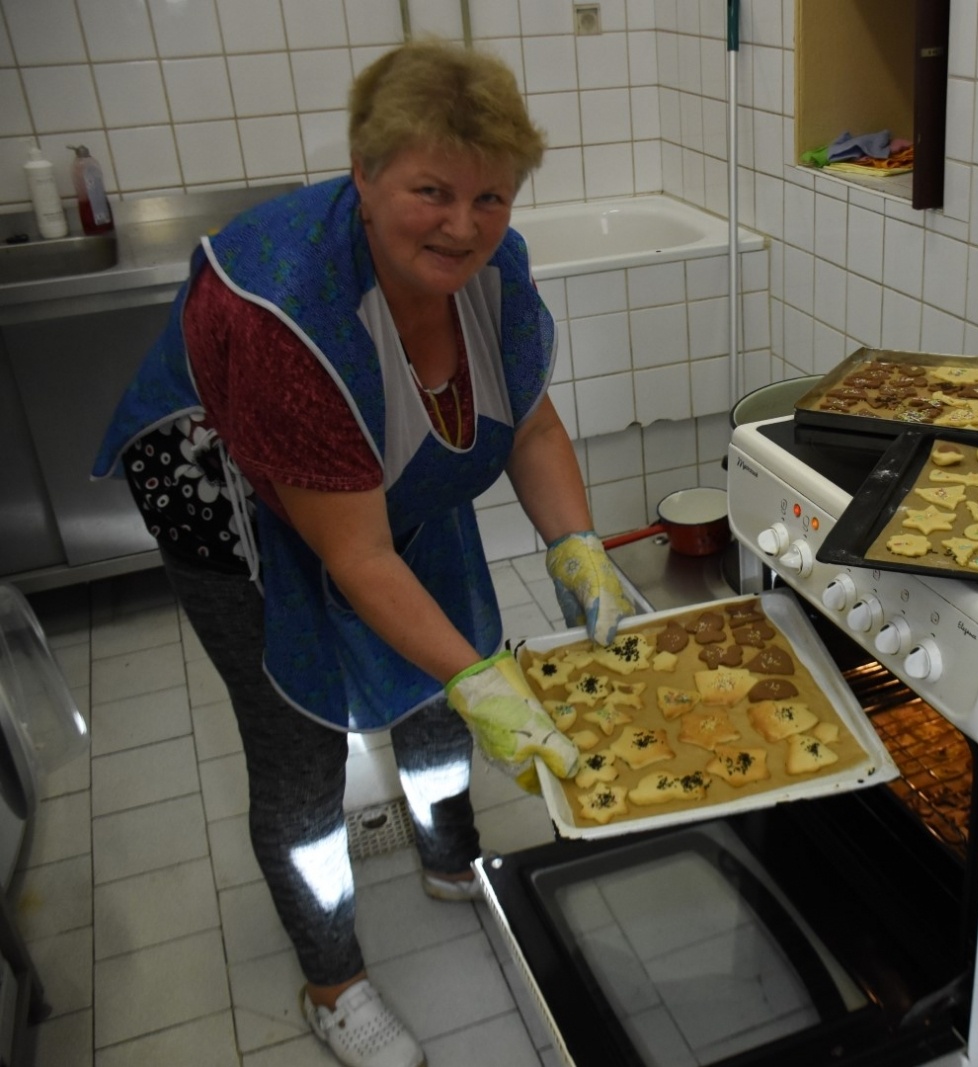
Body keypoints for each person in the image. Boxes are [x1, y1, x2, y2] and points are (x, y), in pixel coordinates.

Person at [92, 40, 631, 1067]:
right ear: (365, 174)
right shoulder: (289, 312)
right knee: (301, 744)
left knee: (442, 665)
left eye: (490, 197)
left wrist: (578, 549)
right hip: (229, 496)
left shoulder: (493, 270)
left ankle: (448, 851)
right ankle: (333, 981)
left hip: (391, 475)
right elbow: (358, 559)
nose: (463, 225)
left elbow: (528, 424)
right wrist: (484, 676)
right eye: (432, 191)